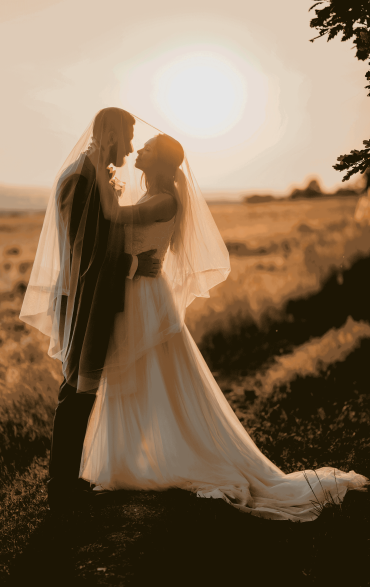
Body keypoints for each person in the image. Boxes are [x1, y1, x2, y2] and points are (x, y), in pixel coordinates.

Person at [78, 117, 368, 523]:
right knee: (137, 375)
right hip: (134, 291)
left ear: (160, 163)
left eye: (145, 150)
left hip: (145, 295)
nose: (137, 152)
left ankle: (170, 456)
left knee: (152, 374)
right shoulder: (153, 195)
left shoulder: (165, 200)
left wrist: (100, 172)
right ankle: (131, 460)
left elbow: (114, 218)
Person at [20, 108, 162, 511]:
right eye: (130, 138)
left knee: (84, 389)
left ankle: (68, 481)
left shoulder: (95, 174)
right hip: (80, 298)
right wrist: (135, 265)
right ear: (113, 135)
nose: (132, 148)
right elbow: (87, 253)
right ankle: (61, 488)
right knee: (75, 391)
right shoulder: (79, 179)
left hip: (95, 296)